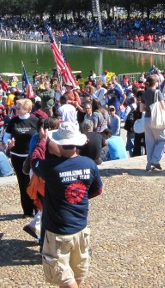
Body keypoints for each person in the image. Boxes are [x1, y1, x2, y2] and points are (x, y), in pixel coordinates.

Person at [32, 122, 103, 288]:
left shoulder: (51, 168)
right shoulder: (89, 164)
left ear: (58, 143)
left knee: (62, 275)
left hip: (58, 229)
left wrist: (42, 141)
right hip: (80, 226)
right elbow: (98, 190)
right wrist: (78, 198)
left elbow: (35, 161)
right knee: (77, 273)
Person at [4, 98, 40, 218]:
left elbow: (41, 136)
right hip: (17, 156)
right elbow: (6, 137)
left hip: (31, 156)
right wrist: (8, 143)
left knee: (34, 182)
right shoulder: (13, 121)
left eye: (19, 108)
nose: (16, 109)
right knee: (22, 183)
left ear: (27, 109)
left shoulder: (35, 120)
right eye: (16, 107)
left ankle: (37, 208)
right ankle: (27, 211)